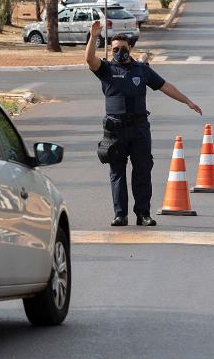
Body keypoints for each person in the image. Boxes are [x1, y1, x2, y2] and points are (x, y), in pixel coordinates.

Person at [85, 21, 201, 227]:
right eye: (115, 49)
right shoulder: (106, 69)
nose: (119, 52)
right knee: (117, 173)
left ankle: (143, 214)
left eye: (123, 48)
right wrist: (94, 36)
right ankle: (120, 215)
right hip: (116, 130)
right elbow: (89, 59)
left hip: (139, 128)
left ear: (130, 48)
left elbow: (165, 86)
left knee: (142, 170)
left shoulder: (142, 70)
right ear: (111, 51)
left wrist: (188, 101)